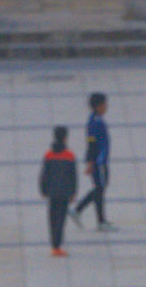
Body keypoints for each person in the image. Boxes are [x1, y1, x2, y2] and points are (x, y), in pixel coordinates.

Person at [72, 92, 113, 230]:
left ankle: (79, 211)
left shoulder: (97, 120)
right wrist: (90, 161)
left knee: (100, 188)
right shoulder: (95, 123)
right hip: (99, 161)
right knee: (100, 189)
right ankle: (99, 220)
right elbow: (91, 143)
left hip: (101, 160)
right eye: (105, 104)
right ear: (99, 106)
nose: (106, 107)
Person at [38, 124, 78, 254]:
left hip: (52, 192)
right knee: (61, 219)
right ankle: (57, 246)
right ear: (65, 138)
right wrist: (73, 192)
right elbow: (73, 176)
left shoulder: (48, 155)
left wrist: (43, 190)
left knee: (52, 218)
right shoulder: (69, 155)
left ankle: (54, 245)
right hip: (64, 193)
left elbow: (44, 174)